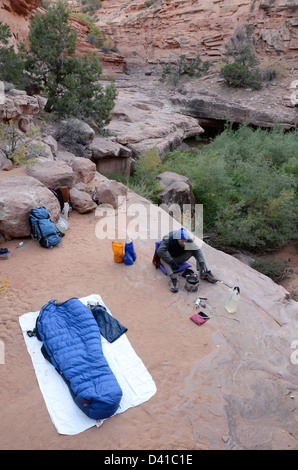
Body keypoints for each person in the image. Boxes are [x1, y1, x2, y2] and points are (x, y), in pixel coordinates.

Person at [156, 227, 218, 292]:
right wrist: (172, 262)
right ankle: (173, 279)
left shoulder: (187, 239)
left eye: (185, 241)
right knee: (162, 259)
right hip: (171, 259)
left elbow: (197, 250)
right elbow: (160, 251)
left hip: (180, 256)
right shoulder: (169, 239)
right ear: (177, 238)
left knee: (195, 251)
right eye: (182, 241)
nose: (184, 243)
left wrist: (201, 262)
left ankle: (203, 272)